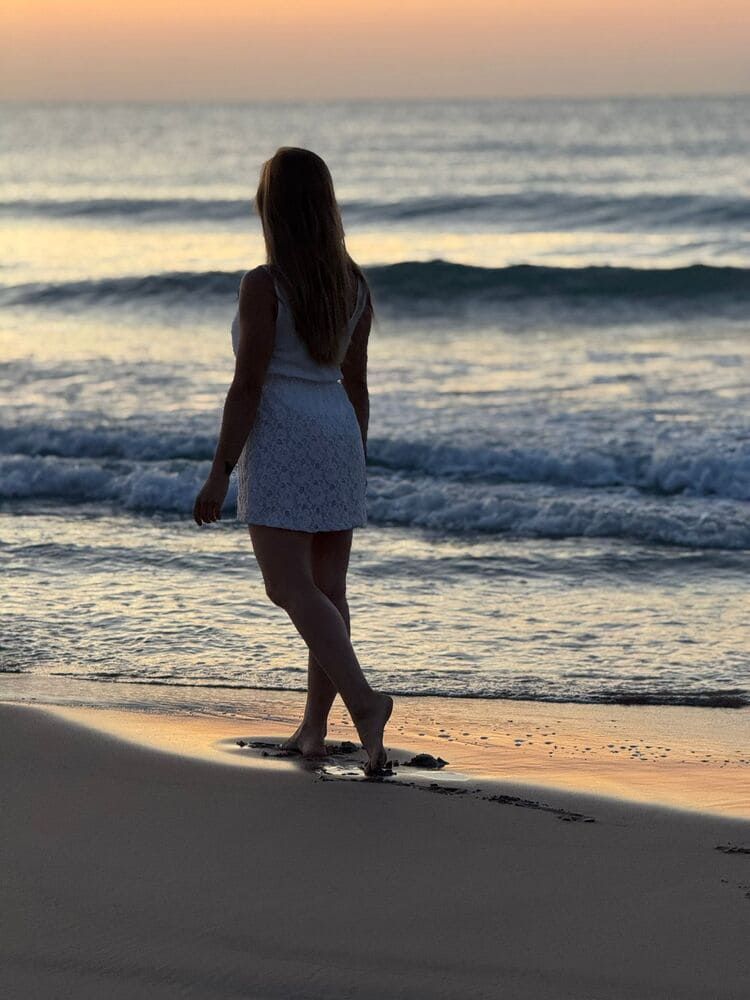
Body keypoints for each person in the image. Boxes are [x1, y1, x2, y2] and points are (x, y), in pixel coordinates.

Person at [193, 147, 393, 775]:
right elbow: (355, 382)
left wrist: (221, 468)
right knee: (328, 590)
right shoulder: (352, 283)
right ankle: (314, 728)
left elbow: (248, 383)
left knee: (287, 586)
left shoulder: (265, 283)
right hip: (336, 430)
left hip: (284, 432)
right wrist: (354, 455)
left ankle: (364, 702)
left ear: (272, 209)